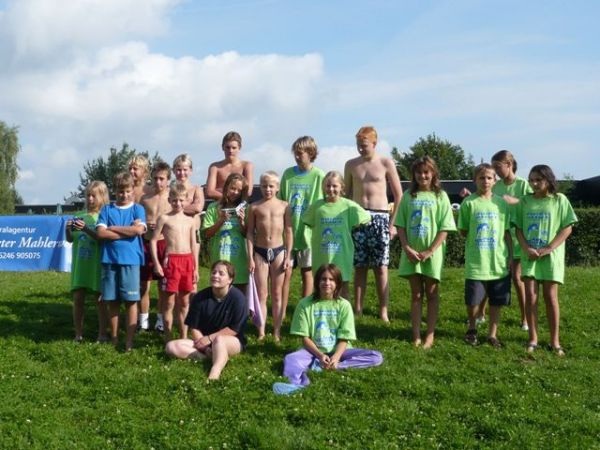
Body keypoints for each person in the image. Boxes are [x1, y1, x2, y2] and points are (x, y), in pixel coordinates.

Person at [272, 264, 383, 395]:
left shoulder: (344, 305)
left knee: (376, 357)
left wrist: (336, 357)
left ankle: (334, 366)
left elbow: (344, 338)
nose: (327, 283)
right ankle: (296, 384)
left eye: (331, 280)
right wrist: (320, 355)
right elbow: (305, 338)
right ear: (317, 281)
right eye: (323, 279)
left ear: (337, 283)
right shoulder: (304, 304)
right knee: (291, 359)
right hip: (312, 351)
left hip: (341, 351)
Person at [515, 165, 577, 357]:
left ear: (548, 180)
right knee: (531, 297)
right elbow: (518, 228)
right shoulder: (524, 201)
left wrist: (549, 248)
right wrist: (526, 248)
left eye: (538, 180)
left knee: (550, 297)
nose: (534, 184)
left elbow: (567, 227)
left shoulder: (560, 200)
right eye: (531, 180)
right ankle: (533, 339)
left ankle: (554, 341)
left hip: (551, 258)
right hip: (530, 256)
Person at [395, 157, 456, 348]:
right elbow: (400, 225)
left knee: (431, 293)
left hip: (433, 254)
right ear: (413, 175)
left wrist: (430, 250)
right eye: (419, 172)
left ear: (433, 173)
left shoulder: (441, 196)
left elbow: (445, 227)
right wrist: (407, 248)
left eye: (426, 172)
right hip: (412, 253)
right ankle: (416, 335)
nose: (422, 176)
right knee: (416, 294)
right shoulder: (408, 196)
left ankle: (430, 335)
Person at [344, 126, 403, 322]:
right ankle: (358, 309)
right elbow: (346, 196)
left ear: (374, 143)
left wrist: (393, 224)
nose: (361, 148)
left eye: (364, 145)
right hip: (358, 218)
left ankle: (383, 310)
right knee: (360, 266)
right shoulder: (351, 165)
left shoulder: (386, 163)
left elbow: (399, 195)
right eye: (358, 145)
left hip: (380, 217)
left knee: (381, 267)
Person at [458, 163, 513, 348]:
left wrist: (510, 256)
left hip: (498, 260)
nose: (486, 181)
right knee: (473, 299)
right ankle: (472, 329)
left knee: (496, 301)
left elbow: (506, 232)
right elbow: (463, 230)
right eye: (481, 178)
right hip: (477, 260)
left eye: (489, 177)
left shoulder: (501, 204)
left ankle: (492, 335)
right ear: (475, 180)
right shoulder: (469, 203)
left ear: (495, 180)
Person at [165, 261, 247, 380]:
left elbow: (234, 329)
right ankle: (209, 357)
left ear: (230, 280)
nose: (215, 275)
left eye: (221, 273)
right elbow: (194, 327)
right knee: (171, 346)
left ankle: (215, 371)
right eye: (214, 272)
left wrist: (210, 338)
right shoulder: (200, 297)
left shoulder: (238, 298)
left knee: (219, 340)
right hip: (204, 342)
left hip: (232, 341)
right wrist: (205, 348)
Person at [96, 172, 146, 351]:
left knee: (131, 301)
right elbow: (100, 233)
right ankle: (115, 338)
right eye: (120, 191)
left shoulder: (138, 209)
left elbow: (138, 231)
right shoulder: (107, 209)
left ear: (133, 190)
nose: (124, 195)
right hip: (109, 260)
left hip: (131, 261)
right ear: (115, 191)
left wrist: (114, 228)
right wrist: (128, 230)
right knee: (113, 301)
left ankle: (129, 342)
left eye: (127, 191)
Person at [303, 171, 371, 299]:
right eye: (328, 186)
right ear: (323, 187)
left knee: (342, 286)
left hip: (341, 254)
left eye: (334, 186)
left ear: (342, 187)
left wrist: (354, 224)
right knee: (320, 285)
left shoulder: (348, 205)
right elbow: (307, 221)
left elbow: (366, 217)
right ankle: (321, 308)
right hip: (321, 254)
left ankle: (344, 310)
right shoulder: (317, 206)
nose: (331, 189)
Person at [278, 136, 325, 311]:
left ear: (311, 153)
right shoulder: (288, 174)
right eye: (295, 153)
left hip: (309, 233)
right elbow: (281, 200)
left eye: (301, 153)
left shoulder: (319, 175)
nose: (297, 157)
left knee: (307, 272)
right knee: (285, 272)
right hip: (288, 231)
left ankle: (304, 310)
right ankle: (281, 311)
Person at [246, 171, 293, 341]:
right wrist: (250, 257)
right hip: (260, 252)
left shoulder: (284, 206)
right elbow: (250, 233)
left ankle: (277, 331)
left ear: (277, 187)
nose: (268, 189)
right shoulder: (254, 207)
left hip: (279, 251)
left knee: (277, 293)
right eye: (264, 186)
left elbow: (289, 231)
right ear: (260, 187)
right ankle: (261, 331)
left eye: (271, 186)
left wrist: (288, 255)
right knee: (262, 294)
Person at [491, 150, 533, 331]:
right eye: (493, 167)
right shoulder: (496, 186)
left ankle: (525, 319)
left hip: (518, 239)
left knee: (517, 278)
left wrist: (514, 201)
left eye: (498, 167)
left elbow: (533, 203)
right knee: (490, 275)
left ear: (509, 165)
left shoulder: (523, 184)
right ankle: (481, 314)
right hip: (499, 238)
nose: (495, 171)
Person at [151, 184, 198, 341]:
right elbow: (153, 240)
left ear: (186, 200)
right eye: (175, 200)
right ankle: (168, 338)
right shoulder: (164, 218)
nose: (178, 203)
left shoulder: (190, 220)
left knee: (184, 302)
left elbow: (194, 244)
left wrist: (196, 268)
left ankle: (183, 337)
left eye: (181, 200)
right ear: (169, 200)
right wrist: (157, 263)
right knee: (169, 302)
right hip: (171, 261)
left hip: (187, 261)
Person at [65, 181, 110, 343]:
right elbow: (70, 239)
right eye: (88, 195)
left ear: (102, 197)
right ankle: (78, 334)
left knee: (100, 300)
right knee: (78, 299)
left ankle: (102, 334)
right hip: (80, 265)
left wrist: (85, 229)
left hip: (97, 264)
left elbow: (102, 239)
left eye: (94, 196)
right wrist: (67, 229)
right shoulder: (79, 215)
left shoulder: (105, 216)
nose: (90, 199)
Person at [138, 161, 172, 332]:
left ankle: (160, 320)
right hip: (146, 242)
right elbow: (137, 219)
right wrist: (146, 224)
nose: (158, 182)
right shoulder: (145, 198)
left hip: (164, 243)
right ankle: (143, 320)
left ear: (168, 180)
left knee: (163, 285)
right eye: (155, 178)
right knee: (143, 284)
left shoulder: (172, 198)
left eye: (162, 179)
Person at [202, 173, 249, 290]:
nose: (235, 192)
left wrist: (242, 222)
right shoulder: (213, 207)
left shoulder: (246, 209)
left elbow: (248, 235)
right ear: (226, 187)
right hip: (219, 261)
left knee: (239, 296)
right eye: (233, 188)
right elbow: (207, 234)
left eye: (239, 190)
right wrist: (221, 221)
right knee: (218, 294)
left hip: (239, 263)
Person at [172, 153, 205, 291]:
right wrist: (187, 206)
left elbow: (197, 208)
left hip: (192, 235)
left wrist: (176, 206)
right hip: (174, 235)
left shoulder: (196, 189)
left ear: (190, 170)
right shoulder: (170, 190)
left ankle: (192, 302)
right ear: (174, 170)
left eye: (185, 169)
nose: (182, 173)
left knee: (192, 271)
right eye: (178, 169)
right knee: (173, 271)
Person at [205, 131, 254, 201]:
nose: (230, 151)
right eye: (227, 147)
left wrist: (222, 192)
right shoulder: (215, 167)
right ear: (222, 147)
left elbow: (248, 191)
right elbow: (209, 192)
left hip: (239, 204)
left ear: (239, 148)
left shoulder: (246, 166)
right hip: (220, 204)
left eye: (234, 148)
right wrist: (228, 198)